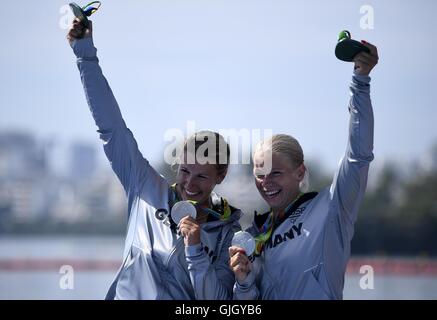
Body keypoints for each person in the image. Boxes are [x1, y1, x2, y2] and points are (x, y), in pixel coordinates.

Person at [67, 19, 241, 300]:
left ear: (220, 177)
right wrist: (85, 54)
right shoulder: (145, 187)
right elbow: (112, 127)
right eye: (185, 171)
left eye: (202, 176)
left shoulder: (227, 231)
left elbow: (219, 302)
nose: (190, 184)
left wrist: (195, 249)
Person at [229, 41, 378, 299]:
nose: (266, 182)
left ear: (300, 172)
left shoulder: (333, 207)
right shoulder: (255, 233)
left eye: (276, 173)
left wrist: (360, 80)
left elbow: (358, 156)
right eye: (260, 174)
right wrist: (243, 282)